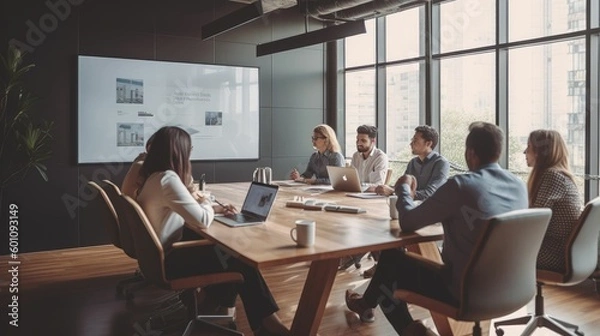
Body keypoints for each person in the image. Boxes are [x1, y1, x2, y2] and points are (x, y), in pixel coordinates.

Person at [345, 122, 528, 335]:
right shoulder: (519, 185)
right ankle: (368, 304)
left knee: (391, 265)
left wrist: (402, 187)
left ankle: (409, 329)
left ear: (470, 153)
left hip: (464, 291)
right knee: (392, 261)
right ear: (499, 151)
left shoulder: (462, 185)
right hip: (514, 286)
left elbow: (409, 222)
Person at [136, 126, 290, 336]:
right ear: (179, 152)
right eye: (189, 149)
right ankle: (267, 324)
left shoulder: (155, 177)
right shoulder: (168, 180)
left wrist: (213, 208)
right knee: (238, 258)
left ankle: (217, 307)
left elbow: (188, 210)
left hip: (158, 257)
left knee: (227, 254)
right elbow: (202, 220)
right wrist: (209, 203)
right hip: (171, 262)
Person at [524, 129, 582, 272]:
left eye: (529, 147)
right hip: (562, 251)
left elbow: (534, 221)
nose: (524, 152)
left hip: (553, 254)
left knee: (494, 251)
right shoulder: (560, 176)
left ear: (540, 152)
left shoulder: (552, 177)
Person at [375, 125, 449, 200]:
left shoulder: (441, 163)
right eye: (412, 140)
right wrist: (387, 189)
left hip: (431, 209)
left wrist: (394, 191)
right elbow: (402, 186)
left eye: (415, 140)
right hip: (412, 206)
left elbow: (430, 193)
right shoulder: (412, 163)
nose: (411, 144)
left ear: (428, 144)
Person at [350, 125, 389, 191]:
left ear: (373, 141)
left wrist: (361, 186)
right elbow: (351, 179)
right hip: (356, 193)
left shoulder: (380, 157)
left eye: (363, 140)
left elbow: (378, 184)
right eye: (357, 139)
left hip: (371, 197)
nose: (359, 143)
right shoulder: (355, 156)